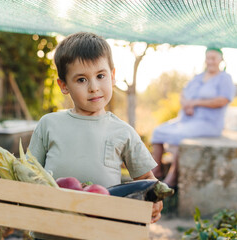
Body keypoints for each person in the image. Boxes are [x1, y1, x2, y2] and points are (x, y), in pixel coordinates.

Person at [28, 32, 162, 239]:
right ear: (64, 85)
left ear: (113, 75)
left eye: (100, 76)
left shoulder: (124, 131)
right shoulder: (49, 124)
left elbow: (146, 180)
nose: (93, 87)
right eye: (81, 79)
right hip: (50, 230)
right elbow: (28, 173)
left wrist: (155, 202)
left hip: (102, 232)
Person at [151, 48, 236, 188]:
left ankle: (172, 177)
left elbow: (223, 100)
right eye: (208, 58)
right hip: (185, 120)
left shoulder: (225, 78)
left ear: (221, 60)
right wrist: (186, 104)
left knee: (180, 135)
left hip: (209, 123)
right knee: (158, 131)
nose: (210, 61)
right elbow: (183, 94)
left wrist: (196, 103)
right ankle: (156, 171)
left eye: (214, 58)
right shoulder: (198, 77)